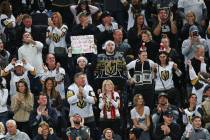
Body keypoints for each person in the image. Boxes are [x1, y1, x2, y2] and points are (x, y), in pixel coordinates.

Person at [67, 72, 98, 139]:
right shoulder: (71, 88)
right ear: (76, 79)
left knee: (90, 137)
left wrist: (85, 96)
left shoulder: (89, 87)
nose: (84, 79)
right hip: (75, 119)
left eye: (85, 78)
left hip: (89, 117)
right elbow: (69, 101)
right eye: (82, 78)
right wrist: (77, 96)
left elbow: (94, 101)